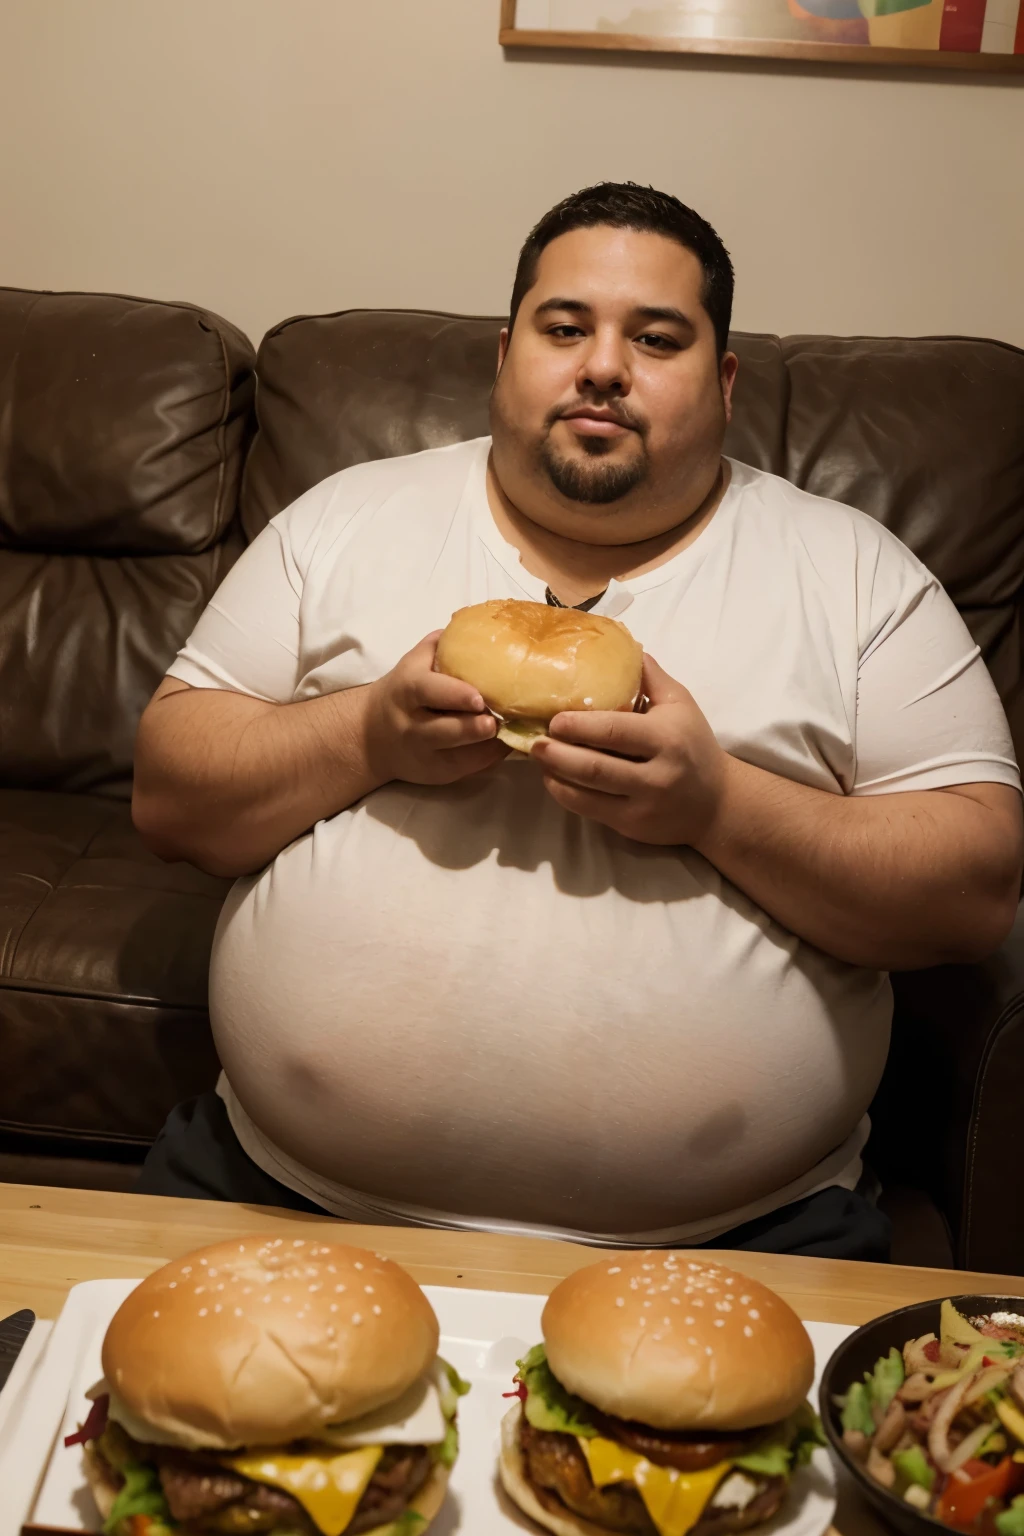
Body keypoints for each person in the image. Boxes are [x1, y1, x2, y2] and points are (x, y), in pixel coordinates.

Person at [132, 182, 1022, 1259]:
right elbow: (171, 795)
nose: (603, 365)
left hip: (740, 1240)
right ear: (505, 353)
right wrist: (363, 735)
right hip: (275, 1194)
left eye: (656, 337)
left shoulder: (851, 571)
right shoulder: (344, 517)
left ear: (725, 380)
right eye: (565, 329)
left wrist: (715, 803)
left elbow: (973, 890)